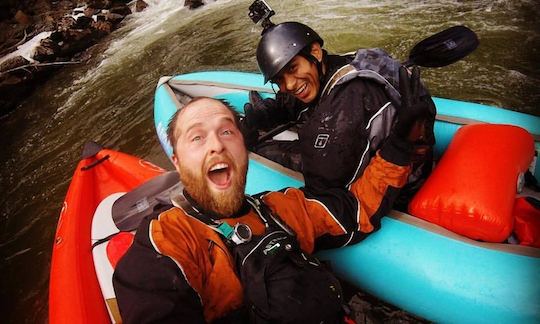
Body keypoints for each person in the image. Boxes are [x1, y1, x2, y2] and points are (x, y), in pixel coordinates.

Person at [112, 96, 419, 323]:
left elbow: (355, 210)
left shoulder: (278, 209)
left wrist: (399, 147)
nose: (216, 145)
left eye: (227, 132)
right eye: (197, 137)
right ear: (177, 162)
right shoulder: (167, 241)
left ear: (243, 150)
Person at [243, 21, 436, 210]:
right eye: (279, 80)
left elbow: (323, 177)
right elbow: (292, 102)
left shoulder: (349, 100)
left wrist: (260, 149)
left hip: (401, 188)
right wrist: (265, 115)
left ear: (315, 52)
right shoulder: (334, 66)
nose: (289, 85)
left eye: (292, 68)